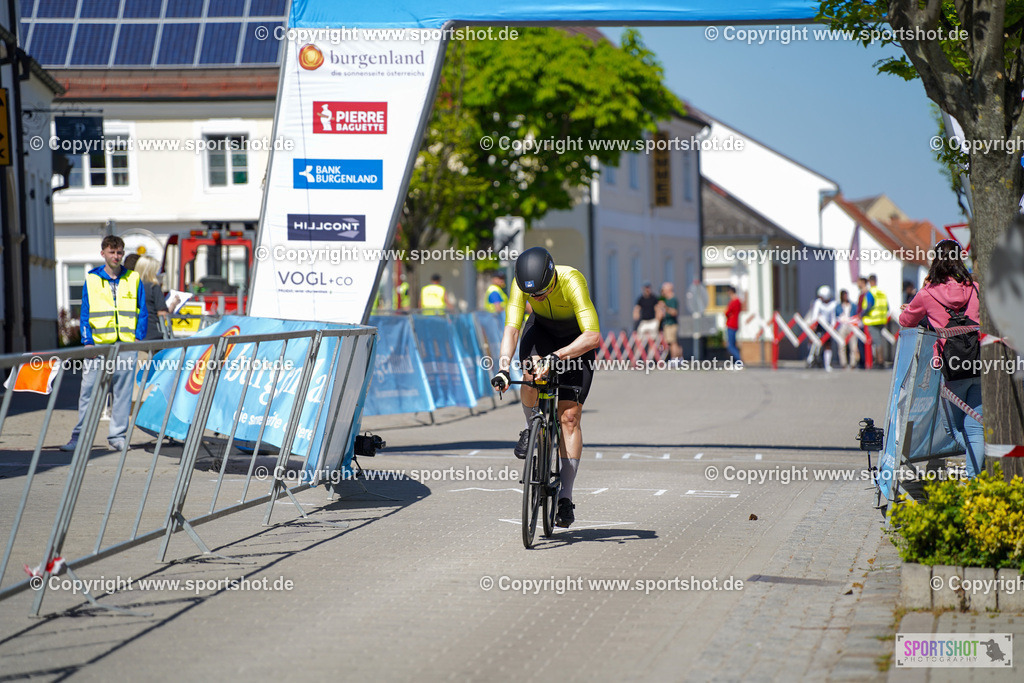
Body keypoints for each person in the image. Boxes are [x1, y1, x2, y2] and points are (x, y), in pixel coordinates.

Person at [491, 247, 600, 528]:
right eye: (532, 296)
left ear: (552, 277)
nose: (536, 298)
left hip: (575, 341)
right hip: (540, 331)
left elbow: (593, 335)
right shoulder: (520, 285)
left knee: (569, 418)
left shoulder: (572, 280)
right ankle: (531, 429)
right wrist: (503, 366)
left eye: (541, 293)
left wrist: (558, 357)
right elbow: (512, 328)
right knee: (529, 373)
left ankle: (565, 497)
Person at [898, 240, 983, 478]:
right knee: (975, 427)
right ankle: (977, 482)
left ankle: (982, 461)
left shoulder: (927, 294)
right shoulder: (975, 288)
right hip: (979, 363)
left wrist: (914, 307)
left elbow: (906, 322)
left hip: (951, 369)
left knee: (953, 428)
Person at [61, 235, 148, 453]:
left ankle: (117, 437)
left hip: (126, 346)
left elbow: (142, 311)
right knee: (89, 392)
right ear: (103, 254)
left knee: (123, 393)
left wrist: (138, 338)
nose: (116, 256)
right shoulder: (91, 279)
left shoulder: (133, 278)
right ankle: (79, 437)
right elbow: (85, 313)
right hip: (98, 347)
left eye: (119, 252)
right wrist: (87, 342)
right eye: (112, 252)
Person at [806, 285, 837, 371]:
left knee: (828, 345)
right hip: (819, 325)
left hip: (827, 326)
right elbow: (815, 315)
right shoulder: (818, 303)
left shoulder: (833, 304)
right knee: (814, 341)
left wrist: (832, 328)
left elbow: (833, 317)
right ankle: (811, 358)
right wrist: (814, 325)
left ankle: (827, 364)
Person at [863, 274, 890, 368]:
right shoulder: (882, 293)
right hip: (881, 320)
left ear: (870, 282)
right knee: (880, 340)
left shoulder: (870, 293)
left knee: (877, 342)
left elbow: (869, 306)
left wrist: (861, 314)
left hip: (872, 320)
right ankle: (880, 360)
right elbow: (887, 307)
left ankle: (879, 361)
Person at [835, 289, 859, 369]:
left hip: (851, 326)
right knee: (841, 345)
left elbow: (856, 314)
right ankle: (843, 363)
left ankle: (853, 363)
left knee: (853, 345)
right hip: (842, 326)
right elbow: (836, 316)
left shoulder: (852, 305)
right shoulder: (838, 306)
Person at [658, 282, 681, 360]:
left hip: (672, 324)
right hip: (666, 323)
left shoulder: (673, 299)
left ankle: (675, 359)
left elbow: (674, 312)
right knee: (669, 343)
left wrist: (666, 308)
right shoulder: (665, 299)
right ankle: (677, 359)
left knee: (673, 342)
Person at [724, 286, 742, 363]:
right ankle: (736, 362)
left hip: (731, 325)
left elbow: (726, 312)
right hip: (736, 325)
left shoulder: (733, 302)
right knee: (733, 345)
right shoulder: (739, 302)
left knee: (730, 346)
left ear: (730, 292)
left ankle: (739, 361)